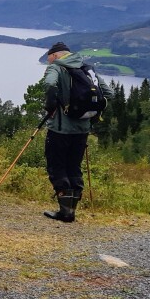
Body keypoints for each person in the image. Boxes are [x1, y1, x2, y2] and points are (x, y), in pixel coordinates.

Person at [41, 42, 114, 223]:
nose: (49, 62)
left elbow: (49, 84)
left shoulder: (57, 67)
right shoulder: (86, 68)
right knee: (74, 167)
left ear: (55, 55)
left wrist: (50, 105)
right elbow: (109, 93)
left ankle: (65, 212)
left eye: (49, 59)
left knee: (57, 166)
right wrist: (92, 114)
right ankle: (71, 210)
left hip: (60, 129)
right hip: (82, 130)